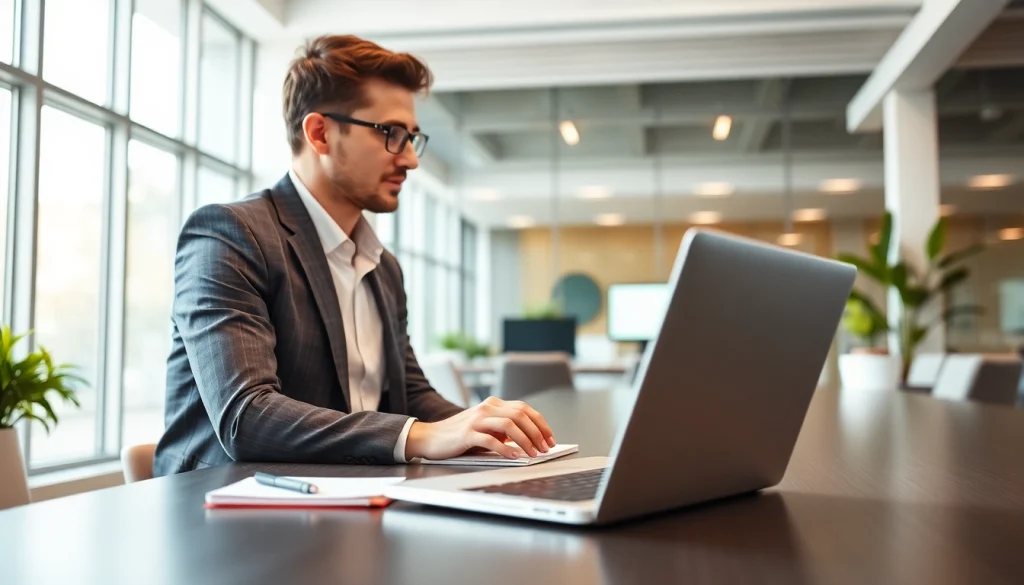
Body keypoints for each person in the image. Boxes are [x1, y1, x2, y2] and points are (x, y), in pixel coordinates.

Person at [153, 35, 556, 476]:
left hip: (343, 502)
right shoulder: (230, 236)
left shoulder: (384, 267)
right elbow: (246, 417)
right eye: (391, 134)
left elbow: (411, 393)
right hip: (222, 515)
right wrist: (423, 435)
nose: (410, 160)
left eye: (412, 138)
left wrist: (492, 432)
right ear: (320, 133)